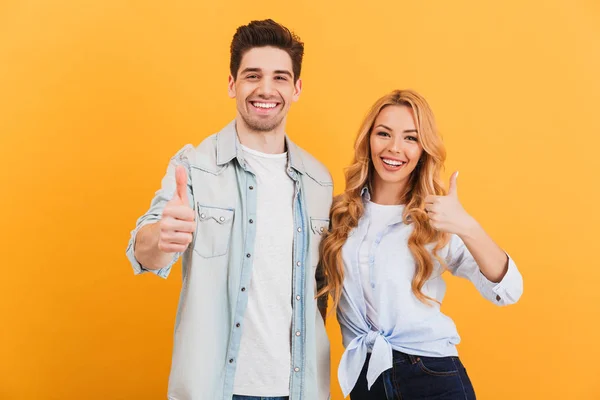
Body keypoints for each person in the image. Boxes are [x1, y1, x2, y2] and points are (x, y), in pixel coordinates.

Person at [125, 19, 332, 400]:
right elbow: (144, 252)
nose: (266, 89)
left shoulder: (319, 181)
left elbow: (322, 288)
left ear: (297, 88)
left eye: (280, 78)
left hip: (300, 388)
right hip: (215, 388)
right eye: (252, 75)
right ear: (232, 84)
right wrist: (162, 237)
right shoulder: (194, 166)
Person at [318, 89, 523, 399]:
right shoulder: (338, 214)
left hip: (431, 376)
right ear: (368, 140)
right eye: (383, 133)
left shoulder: (437, 218)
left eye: (410, 138)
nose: (394, 148)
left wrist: (466, 226)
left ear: (423, 149)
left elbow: (508, 291)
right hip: (364, 377)